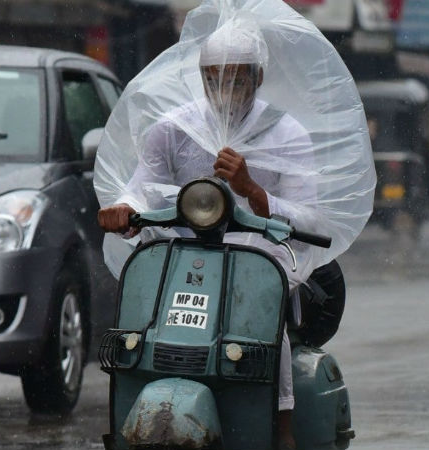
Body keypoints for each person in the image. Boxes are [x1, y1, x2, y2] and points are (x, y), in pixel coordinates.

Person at [97, 22, 317, 450]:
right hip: (179, 261)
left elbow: (310, 216)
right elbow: (142, 185)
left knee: (269, 336)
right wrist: (123, 208)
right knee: (141, 336)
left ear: (257, 77)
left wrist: (254, 191)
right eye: (214, 76)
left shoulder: (286, 133)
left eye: (237, 76)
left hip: (256, 261)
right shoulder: (173, 128)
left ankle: (282, 429)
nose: (225, 87)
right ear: (201, 77)